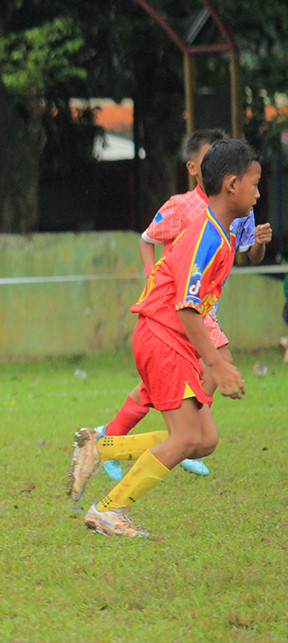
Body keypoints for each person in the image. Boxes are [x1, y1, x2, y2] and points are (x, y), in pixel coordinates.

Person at [68, 138, 259, 537]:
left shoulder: (220, 233)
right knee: (187, 436)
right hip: (162, 336)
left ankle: (100, 448)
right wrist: (217, 363)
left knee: (204, 440)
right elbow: (187, 307)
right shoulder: (205, 235)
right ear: (232, 184)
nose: (259, 194)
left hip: (172, 338)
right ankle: (108, 509)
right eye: (255, 183)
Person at [97, 129, 271, 480]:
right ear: (199, 169)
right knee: (215, 367)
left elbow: (247, 254)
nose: (255, 193)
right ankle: (175, 441)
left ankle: (119, 439)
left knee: (167, 393)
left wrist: (258, 243)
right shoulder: (182, 207)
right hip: (179, 310)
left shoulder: (236, 212)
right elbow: (148, 240)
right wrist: (152, 277)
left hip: (201, 307)